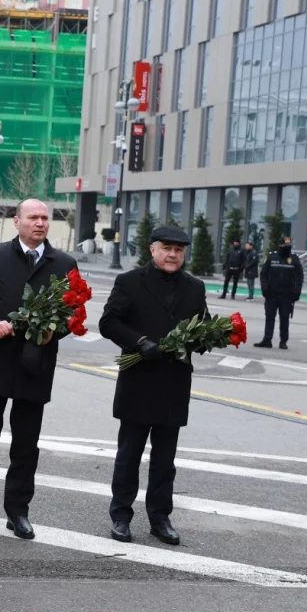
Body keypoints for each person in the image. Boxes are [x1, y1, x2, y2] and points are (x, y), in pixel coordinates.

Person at [0, 199, 78, 540]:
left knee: (26, 442)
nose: (40, 223)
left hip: (35, 363)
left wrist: (59, 328)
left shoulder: (64, 263)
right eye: (33, 217)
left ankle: (18, 511)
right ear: (17, 222)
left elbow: (73, 312)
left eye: (45, 217)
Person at [99, 225, 208, 546]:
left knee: (165, 460)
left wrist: (205, 339)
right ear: (153, 250)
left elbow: (202, 322)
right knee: (129, 454)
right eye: (166, 248)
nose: (173, 254)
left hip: (174, 383)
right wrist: (139, 342)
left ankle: (160, 518)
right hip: (139, 380)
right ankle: (121, 516)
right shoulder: (130, 282)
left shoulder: (195, 287)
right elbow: (109, 322)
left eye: (179, 249)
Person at [255, 236, 304, 350]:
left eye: (289, 246)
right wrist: (265, 289)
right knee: (269, 317)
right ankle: (267, 339)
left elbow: (299, 276)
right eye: (284, 246)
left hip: (287, 295)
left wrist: (297, 292)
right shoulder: (272, 257)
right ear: (280, 246)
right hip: (272, 294)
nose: (287, 248)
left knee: (285, 318)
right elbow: (263, 274)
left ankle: (283, 341)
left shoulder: (294, 259)